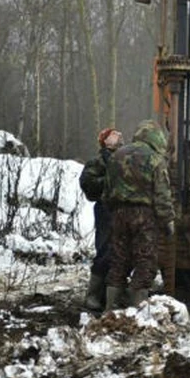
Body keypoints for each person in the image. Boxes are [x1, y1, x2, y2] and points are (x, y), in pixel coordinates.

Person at [103, 119, 175, 309]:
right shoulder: (155, 159)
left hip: (118, 214)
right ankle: (138, 309)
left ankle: (110, 307)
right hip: (144, 217)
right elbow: (162, 194)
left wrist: (114, 211)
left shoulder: (116, 155)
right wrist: (168, 220)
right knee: (145, 261)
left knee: (118, 260)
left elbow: (107, 190)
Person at [79, 127, 124, 311]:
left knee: (119, 252)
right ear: (105, 141)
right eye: (113, 134)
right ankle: (93, 295)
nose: (119, 135)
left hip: (121, 210)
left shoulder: (123, 158)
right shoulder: (98, 162)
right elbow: (87, 183)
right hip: (106, 210)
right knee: (105, 250)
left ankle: (112, 294)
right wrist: (107, 184)